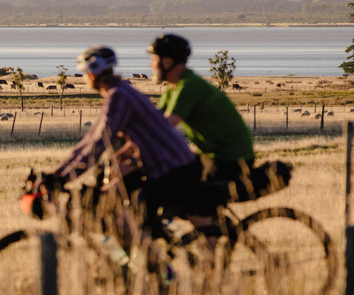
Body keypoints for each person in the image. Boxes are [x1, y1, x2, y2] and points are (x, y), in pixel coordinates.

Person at [44, 46, 220, 237]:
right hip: (166, 166)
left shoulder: (119, 97)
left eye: (85, 74)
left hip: (172, 169)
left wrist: (63, 177)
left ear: (92, 75)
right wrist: (59, 173)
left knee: (137, 218)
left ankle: (156, 254)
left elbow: (99, 142)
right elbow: (91, 140)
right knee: (115, 203)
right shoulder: (121, 92)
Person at [147, 33, 255, 184]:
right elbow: (155, 122)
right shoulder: (173, 88)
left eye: (154, 59)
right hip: (213, 155)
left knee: (165, 186)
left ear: (167, 62)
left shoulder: (188, 86)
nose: (151, 65)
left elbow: (164, 127)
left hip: (231, 159)